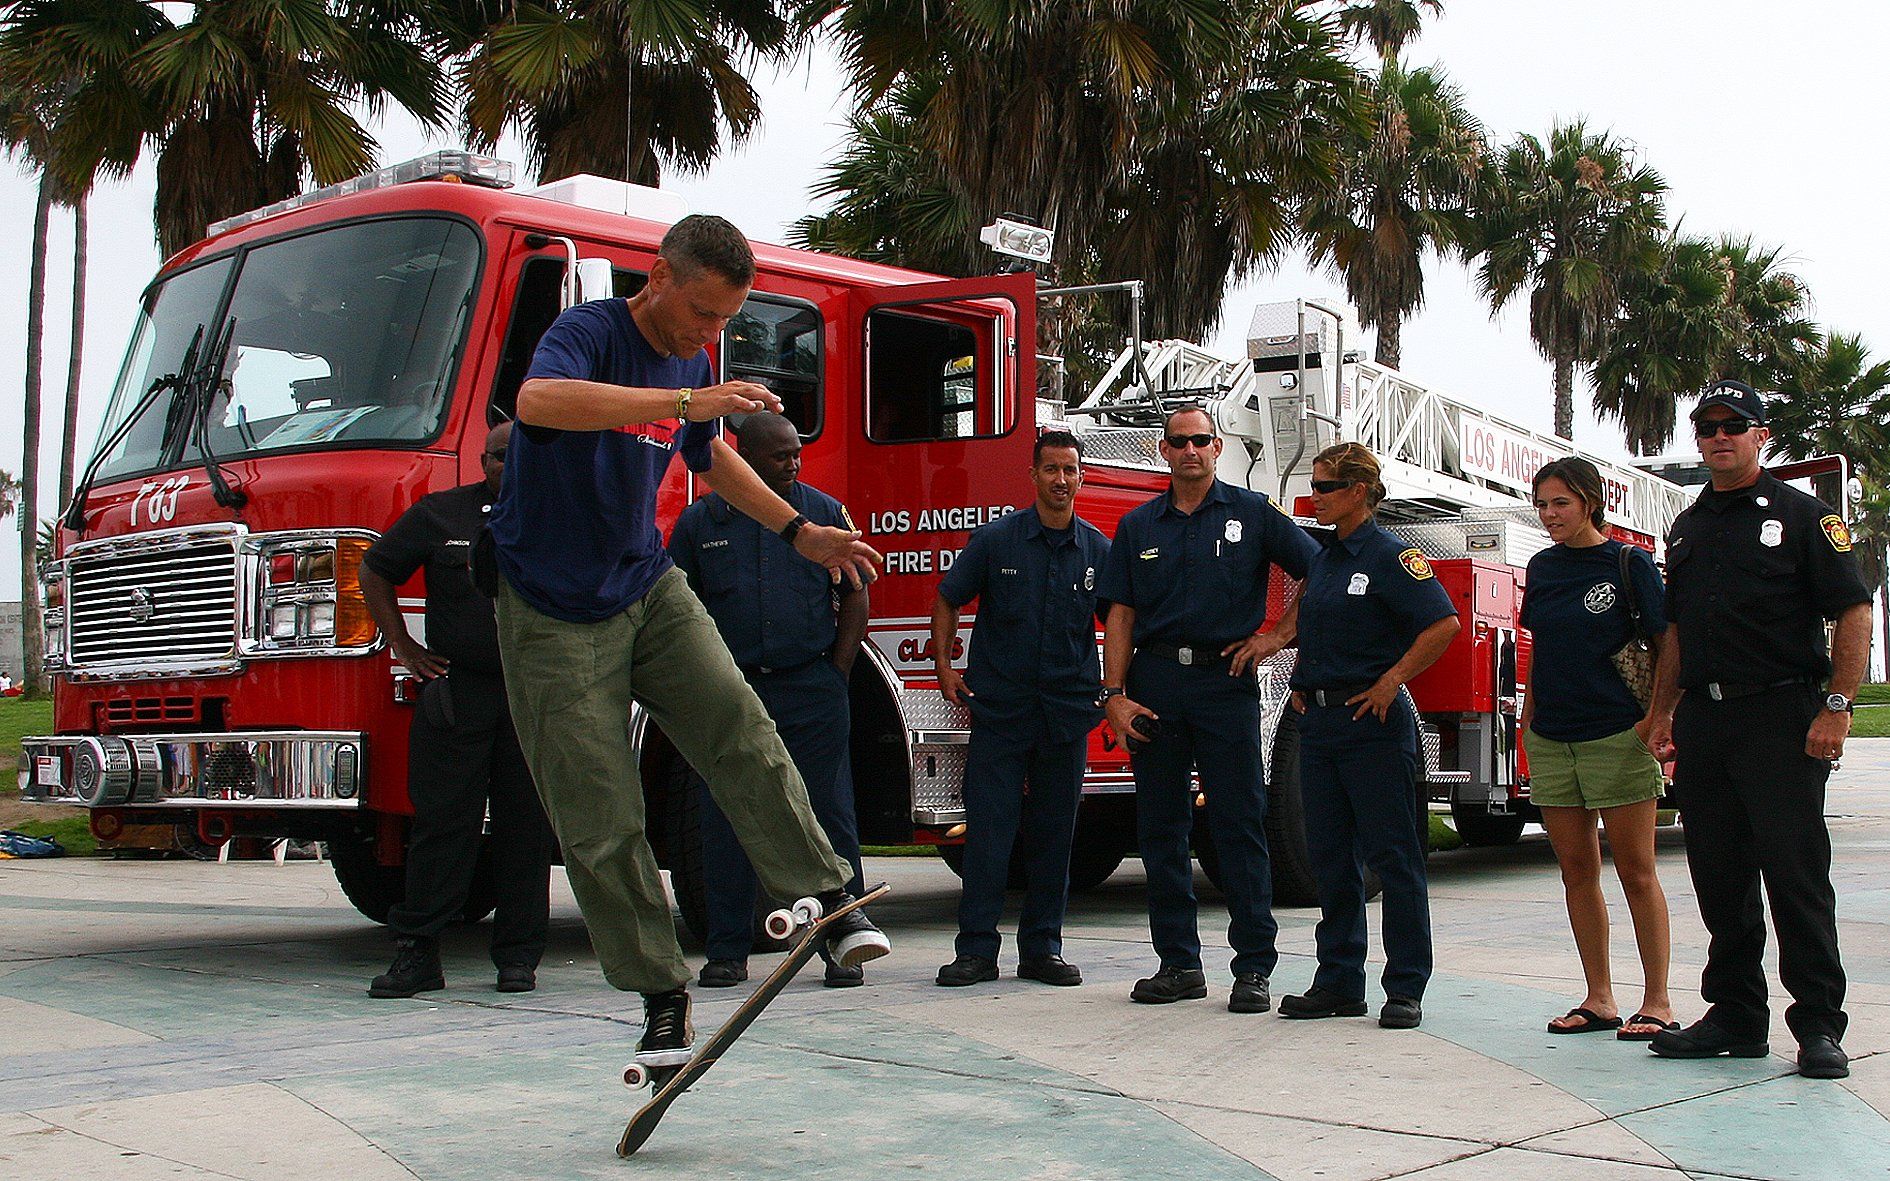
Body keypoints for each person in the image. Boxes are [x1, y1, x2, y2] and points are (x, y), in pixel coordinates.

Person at [490, 214, 890, 1080]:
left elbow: (711, 461)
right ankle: (660, 996)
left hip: (644, 584)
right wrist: (682, 400)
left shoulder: (694, 359)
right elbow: (537, 403)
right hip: (552, 611)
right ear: (661, 277)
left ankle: (828, 897)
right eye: (704, 315)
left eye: (725, 322)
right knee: (602, 816)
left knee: (739, 727)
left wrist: (798, 532)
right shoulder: (588, 330)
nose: (711, 335)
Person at [1647, 380, 1871, 1080]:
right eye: (1706, 425)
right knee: (1720, 874)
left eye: (1733, 424)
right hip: (1708, 719)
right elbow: (1678, 631)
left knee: (1795, 874)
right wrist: (1662, 710)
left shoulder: (1805, 517)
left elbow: (1854, 611)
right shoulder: (1687, 526)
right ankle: (1737, 1015)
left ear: (1761, 435)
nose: (1719, 436)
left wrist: (1837, 704)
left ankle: (1818, 1026)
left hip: (1783, 714)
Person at [1096, 406, 1317, 1011]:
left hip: (1226, 684)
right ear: (1162, 452)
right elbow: (1120, 613)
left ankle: (1253, 969)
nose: (1190, 450)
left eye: (1201, 440)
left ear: (1217, 447)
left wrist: (1276, 637)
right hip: (1156, 682)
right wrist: (1114, 696)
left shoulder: (1251, 513)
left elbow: (1317, 571)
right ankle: (1179, 965)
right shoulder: (1139, 526)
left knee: (1239, 823)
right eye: (1178, 442)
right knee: (1162, 829)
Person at [669, 411, 870, 989]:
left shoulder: (825, 516)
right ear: (744, 457)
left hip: (810, 687)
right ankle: (728, 950)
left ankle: (842, 943)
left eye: (796, 452)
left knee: (829, 813)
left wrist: (837, 671)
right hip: (732, 692)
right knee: (726, 815)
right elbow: (679, 606)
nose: (794, 462)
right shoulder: (699, 522)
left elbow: (855, 597)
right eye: (780, 455)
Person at [362, 421, 557, 997]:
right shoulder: (439, 514)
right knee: (442, 829)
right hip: (457, 693)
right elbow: (375, 570)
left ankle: (519, 958)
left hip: (531, 695)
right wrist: (404, 647)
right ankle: (418, 955)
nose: (507, 466)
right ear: (482, 461)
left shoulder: (559, 517)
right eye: (498, 457)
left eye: (518, 456)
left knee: (527, 830)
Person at [1270, 443, 1458, 1030]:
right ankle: (1339, 981)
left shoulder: (1393, 557)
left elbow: (1443, 624)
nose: (1315, 497)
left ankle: (1405, 986)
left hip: (1373, 726)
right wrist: (1298, 680)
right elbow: (1311, 626)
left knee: (1394, 857)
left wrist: (1391, 681)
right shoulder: (1323, 559)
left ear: (1357, 492)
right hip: (1320, 726)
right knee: (1329, 859)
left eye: (1324, 487)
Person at [931, 429, 1110, 988]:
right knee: (989, 833)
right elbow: (948, 597)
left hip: (1065, 712)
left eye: (1070, 471)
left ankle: (1043, 951)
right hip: (1002, 712)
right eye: (1051, 469)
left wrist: (1116, 687)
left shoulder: (1097, 550)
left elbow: (1122, 618)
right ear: (1032, 476)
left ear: (1082, 478)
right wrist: (944, 666)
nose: (1061, 480)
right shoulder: (997, 541)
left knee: (1055, 836)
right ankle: (976, 951)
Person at [1521, 456, 1678, 1040]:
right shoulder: (1541, 567)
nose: (1549, 515)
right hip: (1554, 736)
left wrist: (1656, 722)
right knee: (1576, 871)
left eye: (1559, 503)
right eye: (1541, 504)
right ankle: (1599, 997)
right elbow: (1541, 648)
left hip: (1617, 732)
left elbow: (1668, 646)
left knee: (1637, 871)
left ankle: (1657, 1000)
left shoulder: (1628, 563)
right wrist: (1531, 724)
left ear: (1589, 501)